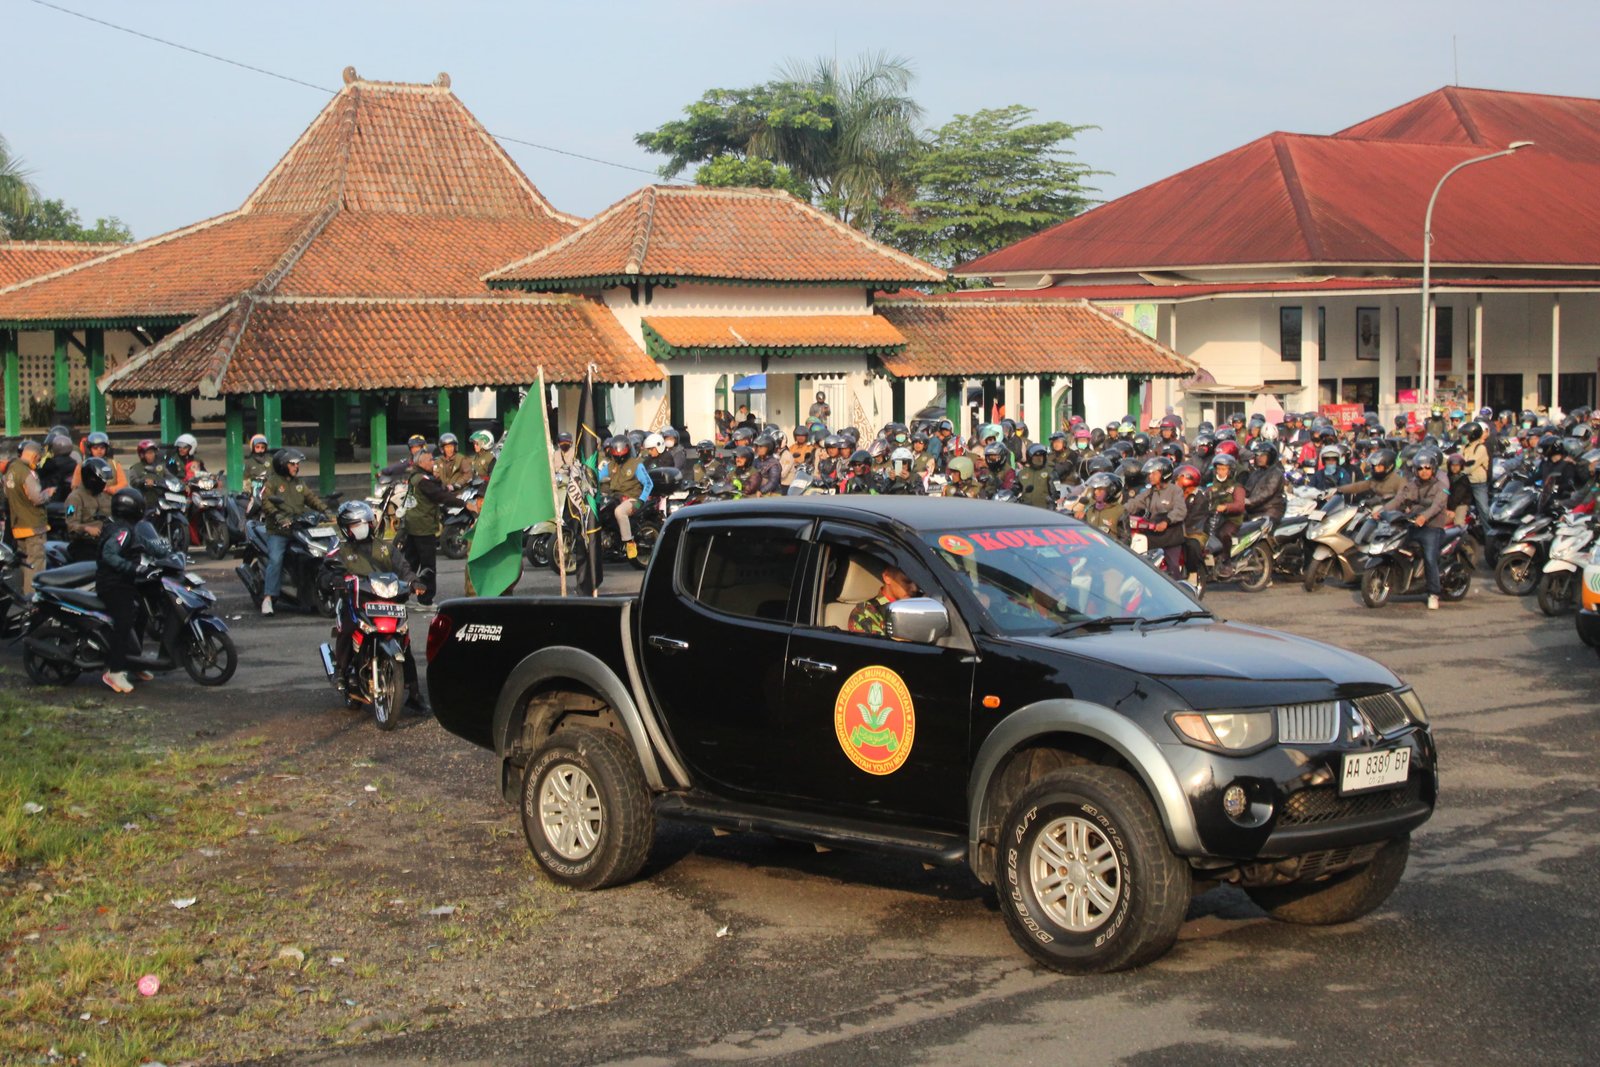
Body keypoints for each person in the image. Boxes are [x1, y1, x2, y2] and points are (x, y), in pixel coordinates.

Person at [331, 500, 428, 710]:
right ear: (347, 529)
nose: (362, 527)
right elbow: (328, 570)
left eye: (365, 523)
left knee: (405, 641)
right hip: (356, 602)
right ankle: (342, 671)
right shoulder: (341, 550)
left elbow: (404, 568)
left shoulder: (385, 548)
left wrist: (414, 582)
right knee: (347, 630)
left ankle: (414, 692)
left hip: (387, 601)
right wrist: (334, 579)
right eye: (356, 525)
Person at [95, 488, 175, 693]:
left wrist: (167, 551)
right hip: (112, 584)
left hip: (126, 583)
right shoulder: (121, 531)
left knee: (141, 616)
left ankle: (133, 662)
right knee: (123, 622)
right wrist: (131, 567)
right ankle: (114, 671)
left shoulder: (130, 528)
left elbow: (147, 545)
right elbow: (109, 554)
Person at [399, 450, 475, 606]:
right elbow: (440, 496)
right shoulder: (423, 480)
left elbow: (438, 490)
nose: (433, 463)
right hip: (423, 526)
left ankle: (401, 596)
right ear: (421, 463)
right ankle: (425, 600)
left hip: (413, 524)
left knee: (410, 562)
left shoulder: (417, 477)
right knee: (428, 565)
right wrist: (464, 503)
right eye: (429, 460)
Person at [259, 448, 329, 616]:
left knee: (315, 554)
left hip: (299, 528)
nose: (296, 467)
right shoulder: (272, 482)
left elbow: (311, 498)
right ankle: (268, 598)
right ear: (283, 465)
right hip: (279, 531)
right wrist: (278, 516)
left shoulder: (299, 483)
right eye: (293, 464)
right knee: (276, 560)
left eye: (297, 464)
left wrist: (326, 511)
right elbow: (266, 502)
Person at [1386, 448, 1450, 610]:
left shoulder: (1441, 486)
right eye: (1420, 468)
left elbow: (1437, 506)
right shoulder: (1412, 485)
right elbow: (1399, 499)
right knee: (1395, 547)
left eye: (1427, 468)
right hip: (1413, 524)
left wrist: (1424, 517)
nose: (1424, 471)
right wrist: (1382, 511)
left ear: (1433, 469)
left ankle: (1433, 593)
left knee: (1430, 557)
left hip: (1433, 527)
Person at [1125, 457, 1188, 575]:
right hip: (1153, 534)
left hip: (1171, 535)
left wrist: (1166, 521)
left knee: (1173, 567)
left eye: (1154, 473)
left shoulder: (1175, 490)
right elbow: (1135, 503)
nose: (1151, 476)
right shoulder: (1149, 492)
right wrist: (1120, 510)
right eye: (1150, 474)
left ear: (1164, 473)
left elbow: (1180, 510)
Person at [6, 440, 50, 594]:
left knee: (24, 564)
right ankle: (33, 601)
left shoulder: (12, 470)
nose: (38, 462)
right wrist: (48, 494)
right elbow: (36, 498)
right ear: (35, 456)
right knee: (35, 565)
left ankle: (24, 597)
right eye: (38, 459)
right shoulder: (27, 473)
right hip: (33, 527)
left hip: (18, 526)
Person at [601, 435, 652, 558]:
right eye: (615, 451)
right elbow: (597, 476)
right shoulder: (611, 465)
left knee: (619, 512)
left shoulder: (636, 465)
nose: (618, 455)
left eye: (621, 451)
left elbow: (649, 483)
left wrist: (641, 500)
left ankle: (629, 542)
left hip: (632, 498)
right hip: (615, 497)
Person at [65, 457, 115, 563]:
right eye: (101, 480)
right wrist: (87, 528)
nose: (104, 484)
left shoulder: (104, 496)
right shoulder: (74, 498)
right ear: (91, 478)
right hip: (85, 545)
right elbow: (71, 525)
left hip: (107, 541)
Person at [848, 563, 919, 636]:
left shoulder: (922, 605)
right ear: (887, 577)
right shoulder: (866, 612)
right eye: (907, 581)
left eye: (918, 583)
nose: (915, 588)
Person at [1208, 454, 1247, 575]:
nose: (1220, 472)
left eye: (1224, 469)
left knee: (1223, 534)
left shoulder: (1237, 487)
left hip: (1232, 520)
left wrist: (1225, 507)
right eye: (1218, 469)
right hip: (1214, 518)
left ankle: (1226, 561)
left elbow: (1240, 505)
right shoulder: (1212, 486)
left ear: (1230, 471)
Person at [1174, 463, 1210, 584]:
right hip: (1180, 527)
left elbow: (1192, 518)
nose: (1176, 482)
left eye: (1178, 479)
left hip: (1196, 531)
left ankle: (1193, 573)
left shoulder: (1201, 497)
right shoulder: (1177, 494)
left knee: (1191, 544)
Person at [1071, 471, 1125, 538]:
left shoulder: (1120, 511)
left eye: (1100, 490)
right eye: (1095, 489)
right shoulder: (1090, 508)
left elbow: (1125, 538)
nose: (1096, 492)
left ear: (1111, 491)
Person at [38, 434, 79, 502]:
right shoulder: (74, 464)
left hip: (51, 498)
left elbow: (39, 476)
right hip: (70, 498)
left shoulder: (50, 464)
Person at [1015, 444, 1055, 509]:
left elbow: (1056, 493)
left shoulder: (1050, 471)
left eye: (1041, 457)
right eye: (1036, 458)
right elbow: (1015, 489)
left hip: (1044, 509)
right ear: (1030, 458)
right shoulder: (1022, 472)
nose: (1039, 460)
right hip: (1025, 508)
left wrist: (1052, 504)